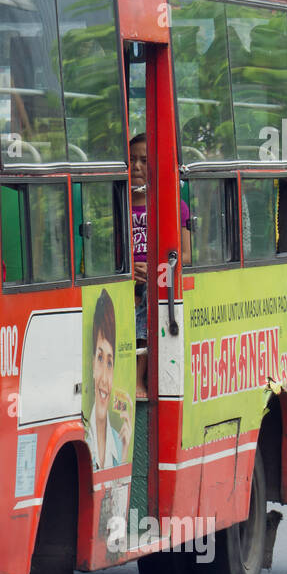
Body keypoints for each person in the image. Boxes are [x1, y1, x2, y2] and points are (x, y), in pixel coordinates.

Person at [129, 132, 192, 343]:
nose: (136, 166)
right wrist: (128, 271)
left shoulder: (174, 207)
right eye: (131, 160)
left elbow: (185, 255)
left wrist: (153, 268)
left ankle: (140, 370)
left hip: (157, 280)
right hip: (125, 281)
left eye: (144, 161)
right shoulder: (116, 205)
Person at [85, 288, 131, 471]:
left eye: (110, 363)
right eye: (100, 358)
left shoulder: (120, 442)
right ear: (92, 365)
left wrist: (126, 451)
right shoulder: (82, 437)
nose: (104, 378)